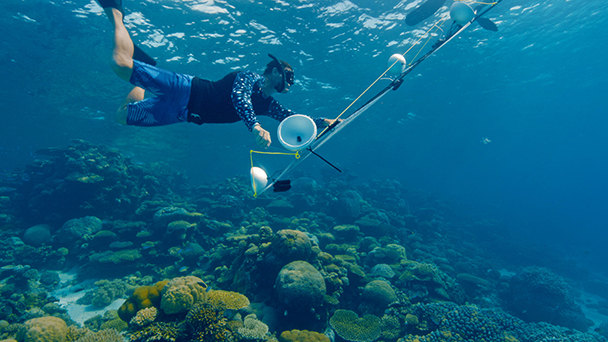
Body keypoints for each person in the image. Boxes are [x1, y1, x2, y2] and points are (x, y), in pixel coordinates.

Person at [95, 0, 335, 148]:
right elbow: (239, 99)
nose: (290, 83)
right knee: (119, 64)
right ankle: (115, 12)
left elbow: (290, 119)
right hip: (185, 88)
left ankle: (143, 63)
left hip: (180, 113)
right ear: (273, 71)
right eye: (288, 77)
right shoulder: (248, 77)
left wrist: (322, 122)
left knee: (121, 116)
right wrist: (255, 127)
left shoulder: (268, 104)